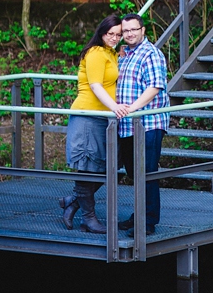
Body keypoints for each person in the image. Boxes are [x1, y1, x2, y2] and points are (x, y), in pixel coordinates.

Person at [59, 15, 123, 233]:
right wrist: (115, 107)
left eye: (118, 34)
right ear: (101, 32)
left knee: (107, 167)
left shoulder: (111, 53)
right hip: (88, 116)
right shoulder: (96, 53)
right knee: (87, 167)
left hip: (103, 117)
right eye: (110, 34)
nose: (114, 38)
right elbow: (96, 86)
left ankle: (73, 201)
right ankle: (88, 218)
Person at [113, 13, 170, 236]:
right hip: (127, 124)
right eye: (125, 31)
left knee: (147, 171)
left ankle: (147, 222)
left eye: (133, 29)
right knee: (134, 172)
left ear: (143, 30)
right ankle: (139, 214)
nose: (129, 34)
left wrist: (132, 108)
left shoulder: (151, 54)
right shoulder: (124, 54)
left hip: (148, 122)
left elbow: (155, 87)